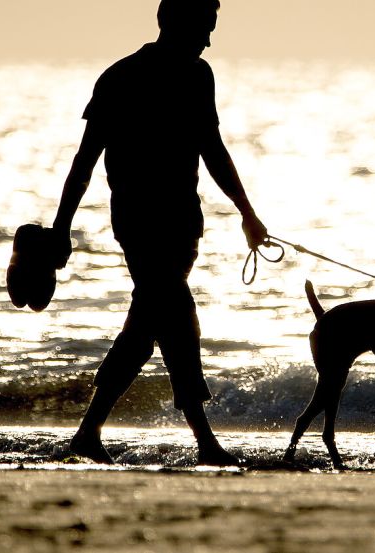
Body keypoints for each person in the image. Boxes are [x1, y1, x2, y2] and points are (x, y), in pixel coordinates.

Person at [51, 0, 267, 465]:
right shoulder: (120, 78)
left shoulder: (198, 75)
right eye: (205, 28)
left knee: (148, 325)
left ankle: (88, 434)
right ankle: (205, 442)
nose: (209, 39)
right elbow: (84, 162)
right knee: (176, 317)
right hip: (139, 223)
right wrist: (60, 228)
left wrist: (247, 213)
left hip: (183, 225)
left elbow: (212, 149)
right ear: (177, 24)